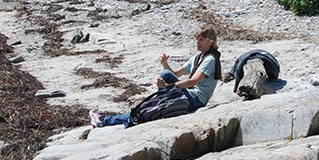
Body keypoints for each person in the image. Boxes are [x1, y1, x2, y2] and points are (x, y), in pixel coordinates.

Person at [91, 26, 222, 127]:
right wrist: (165, 64)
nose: (197, 43)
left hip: (196, 99)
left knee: (150, 104)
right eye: (197, 39)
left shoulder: (210, 60)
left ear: (210, 42)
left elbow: (192, 82)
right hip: (189, 94)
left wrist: (167, 87)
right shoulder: (197, 57)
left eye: (201, 40)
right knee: (164, 76)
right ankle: (159, 101)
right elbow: (174, 74)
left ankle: (105, 121)